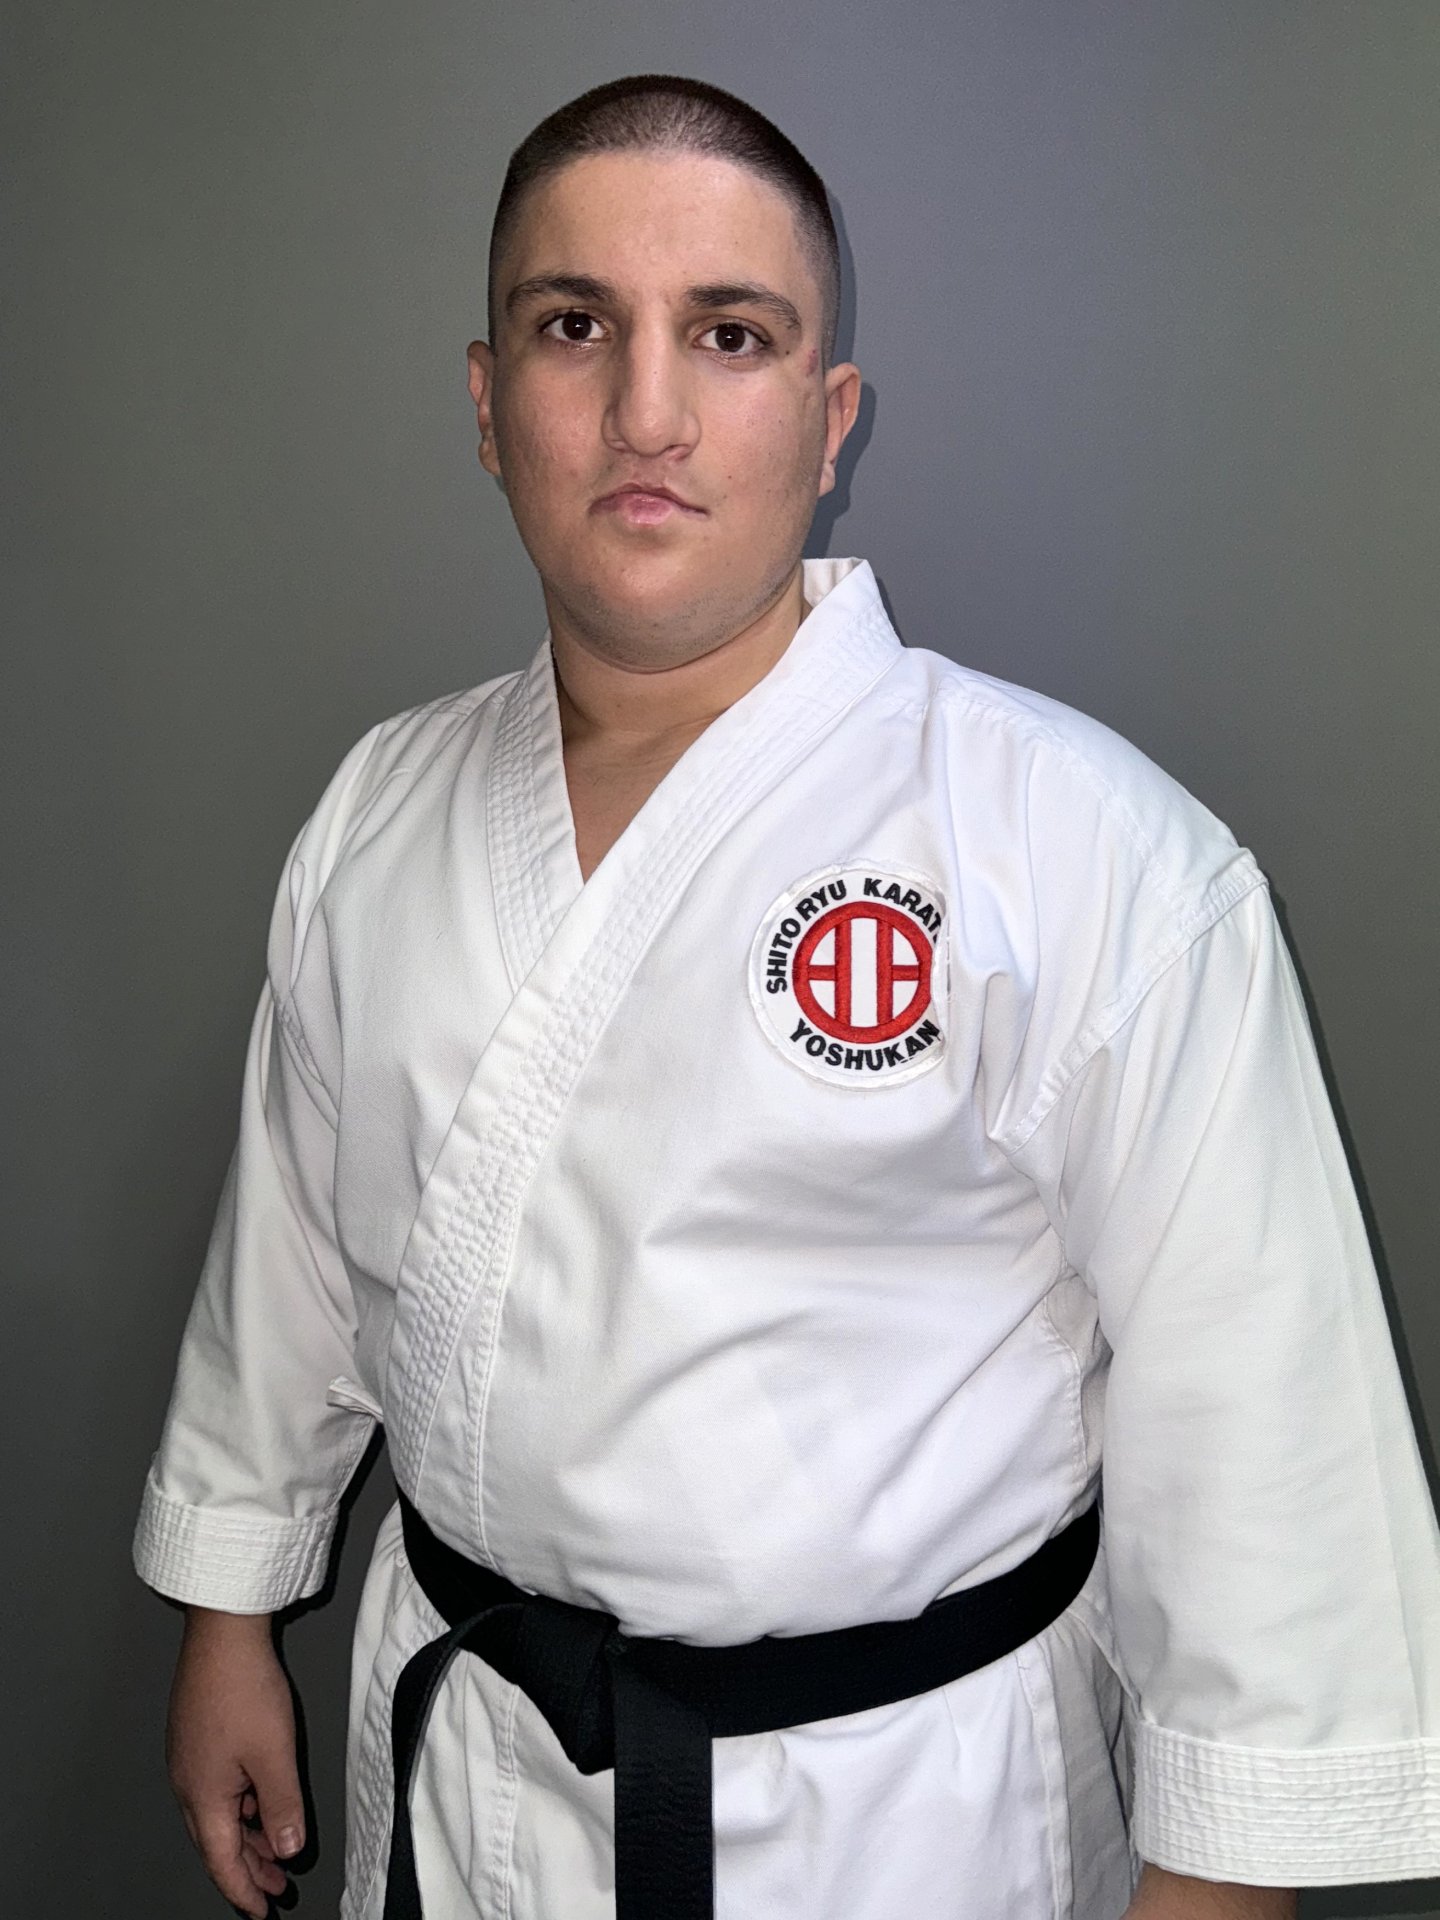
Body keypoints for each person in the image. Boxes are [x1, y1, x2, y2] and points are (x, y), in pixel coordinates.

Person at [136, 73, 1440, 1920]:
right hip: (472, 1768)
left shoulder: (1087, 852)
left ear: (830, 422)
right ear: (489, 405)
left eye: (729, 335)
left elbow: (1262, 1434)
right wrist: (229, 1615)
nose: (646, 411)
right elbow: (288, 1268)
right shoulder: (382, 808)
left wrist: (1217, 1886)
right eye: (574, 326)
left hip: (900, 1817)